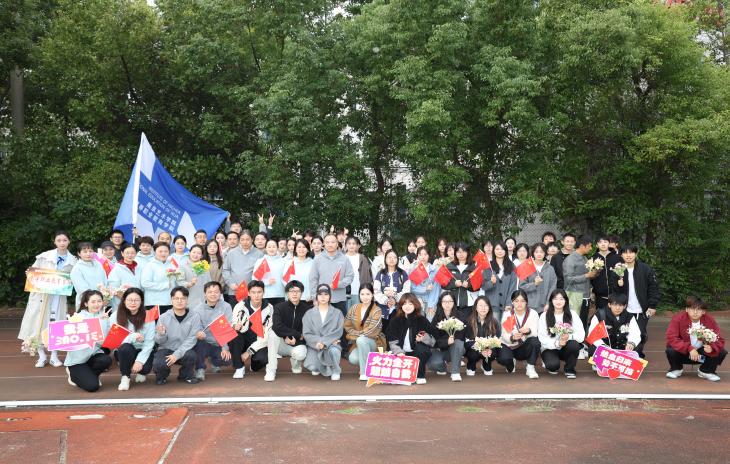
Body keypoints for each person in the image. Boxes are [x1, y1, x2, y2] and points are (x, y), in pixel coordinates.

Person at [19, 231, 78, 368]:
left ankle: (54, 356)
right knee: (38, 323)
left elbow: (74, 278)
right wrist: (29, 273)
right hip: (41, 296)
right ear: (54, 242)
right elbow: (32, 272)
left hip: (59, 297)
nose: (62, 243)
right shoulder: (44, 256)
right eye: (59, 240)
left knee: (56, 324)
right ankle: (42, 356)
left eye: (64, 240)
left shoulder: (73, 261)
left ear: (69, 241)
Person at [610, 244, 660, 358]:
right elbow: (614, 292)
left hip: (641, 310)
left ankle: (637, 355)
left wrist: (652, 305)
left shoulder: (645, 269)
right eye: (625, 253)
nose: (628, 255)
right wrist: (619, 285)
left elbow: (653, 288)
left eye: (631, 252)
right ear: (621, 255)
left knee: (640, 334)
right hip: (623, 309)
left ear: (636, 254)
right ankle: (625, 356)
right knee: (623, 333)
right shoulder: (617, 270)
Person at [665, 296, 726, 382]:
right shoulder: (678, 318)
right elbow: (671, 337)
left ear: (703, 311)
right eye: (692, 309)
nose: (695, 312)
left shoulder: (709, 320)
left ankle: (706, 371)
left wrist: (711, 347)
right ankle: (676, 369)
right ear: (687, 309)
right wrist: (690, 348)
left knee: (721, 351)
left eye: (699, 309)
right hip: (684, 354)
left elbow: (719, 339)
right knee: (671, 350)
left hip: (701, 356)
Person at [64, 290, 113, 392]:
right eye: (93, 302)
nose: (97, 304)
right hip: (77, 360)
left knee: (106, 360)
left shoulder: (105, 316)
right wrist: (99, 320)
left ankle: (92, 375)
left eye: (99, 301)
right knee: (93, 387)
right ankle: (72, 375)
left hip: (93, 355)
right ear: (86, 304)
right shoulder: (78, 317)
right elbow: (68, 337)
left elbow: (107, 338)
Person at [153, 286, 201, 384]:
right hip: (166, 349)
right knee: (159, 363)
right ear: (171, 300)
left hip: (184, 349)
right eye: (176, 298)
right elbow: (158, 341)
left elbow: (192, 339)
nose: (179, 301)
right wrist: (161, 334)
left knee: (191, 355)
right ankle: (162, 376)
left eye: (183, 298)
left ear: (187, 300)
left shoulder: (195, 316)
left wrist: (176, 355)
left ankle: (185, 375)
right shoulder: (163, 317)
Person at [266, 280, 312, 381]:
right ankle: (271, 370)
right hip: (281, 343)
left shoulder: (307, 309)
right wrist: (288, 336)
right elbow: (277, 326)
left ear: (301, 293)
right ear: (287, 293)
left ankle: (295, 364)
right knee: (272, 334)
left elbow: (308, 330)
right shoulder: (279, 307)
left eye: (297, 291)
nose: (294, 294)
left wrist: (297, 338)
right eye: (291, 291)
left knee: (300, 354)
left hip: (297, 342)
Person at [385, 293, 435, 384]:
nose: (407, 306)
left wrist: (423, 338)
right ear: (401, 305)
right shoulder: (395, 319)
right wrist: (398, 351)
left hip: (415, 354)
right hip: (400, 353)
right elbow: (391, 337)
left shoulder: (422, 319)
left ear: (415, 305)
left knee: (421, 349)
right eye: (404, 303)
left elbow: (433, 339)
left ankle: (420, 375)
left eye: (410, 304)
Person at [112, 288, 155, 391]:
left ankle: (140, 371)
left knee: (145, 369)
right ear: (124, 301)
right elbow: (115, 341)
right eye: (130, 300)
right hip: (125, 350)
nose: (133, 303)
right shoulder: (115, 316)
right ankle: (125, 377)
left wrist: (139, 361)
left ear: (141, 302)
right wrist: (132, 337)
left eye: (136, 300)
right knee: (125, 348)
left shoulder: (149, 315)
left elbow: (149, 342)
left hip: (142, 349)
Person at [229, 280, 273, 379]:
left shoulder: (269, 308)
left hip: (259, 341)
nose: (256, 295)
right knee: (234, 336)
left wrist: (248, 352)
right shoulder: (240, 306)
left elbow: (267, 335)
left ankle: (254, 365)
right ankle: (239, 367)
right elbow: (233, 323)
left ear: (263, 292)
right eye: (253, 292)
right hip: (243, 339)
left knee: (263, 359)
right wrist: (235, 326)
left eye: (259, 292)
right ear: (248, 293)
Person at [538, 289, 585, 378]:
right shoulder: (544, 316)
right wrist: (557, 343)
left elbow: (581, 335)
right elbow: (542, 338)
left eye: (561, 299)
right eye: (555, 299)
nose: (558, 302)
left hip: (566, 347)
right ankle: (548, 361)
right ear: (551, 301)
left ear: (566, 301)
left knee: (574, 345)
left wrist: (568, 337)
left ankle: (569, 369)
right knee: (553, 366)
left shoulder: (572, 314)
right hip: (550, 348)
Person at [302, 284, 346, 380]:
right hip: (315, 345)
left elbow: (338, 331)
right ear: (316, 296)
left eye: (326, 294)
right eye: (320, 294)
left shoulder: (337, 313)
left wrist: (325, 342)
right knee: (312, 367)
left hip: (331, 344)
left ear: (330, 296)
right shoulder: (309, 313)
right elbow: (306, 333)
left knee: (334, 351)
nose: (323, 297)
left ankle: (335, 370)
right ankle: (321, 367)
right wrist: (319, 342)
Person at [192, 281, 233, 381]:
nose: (213, 294)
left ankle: (214, 361)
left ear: (220, 293)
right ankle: (200, 368)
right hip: (204, 342)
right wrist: (198, 333)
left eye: (216, 292)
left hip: (219, 343)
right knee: (198, 342)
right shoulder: (197, 309)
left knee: (227, 360)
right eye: (210, 292)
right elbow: (196, 328)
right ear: (205, 294)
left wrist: (225, 347)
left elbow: (227, 328)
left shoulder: (226, 306)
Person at [563, 235, 596, 356]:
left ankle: (581, 344)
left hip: (585, 294)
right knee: (575, 322)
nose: (591, 248)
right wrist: (587, 275)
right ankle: (575, 347)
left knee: (583, 320)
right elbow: (568, 279)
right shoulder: (570, 259)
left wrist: (593, 273)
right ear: (583, 246)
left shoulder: (584, 257)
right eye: (590, 246)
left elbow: (588, 275)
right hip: (574, 295)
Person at [345, 283, 386, 381]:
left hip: (374, 342)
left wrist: (353, 335)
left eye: (368, 294)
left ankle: (364, 372)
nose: (365, 297)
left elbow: (371, 331)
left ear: (372, 295)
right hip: (359, 342)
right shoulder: (354, 308)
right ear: (359, 295)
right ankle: (371, 365)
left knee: (362, 340)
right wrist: (356, 335)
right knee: (353, 359)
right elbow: (347, 325)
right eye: (362, 294)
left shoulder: (377, 310)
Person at [586, 293, 641, 362]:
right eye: (614, 305)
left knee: (637, 347)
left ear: (625, 306)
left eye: (620, 305)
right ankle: (597, 363)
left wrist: (631, 343)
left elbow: (635, 333)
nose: (617, 308)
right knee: (593, 348)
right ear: (609, 305)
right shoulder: (599, 315)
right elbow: (592, 335)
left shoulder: (629, 317)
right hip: (605, 348)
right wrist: (603, 346)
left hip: (622, 347)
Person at [499, 290, 541, 379]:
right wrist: (512, 337)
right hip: (509, 345)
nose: (519, 304)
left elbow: (536, 332)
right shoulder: (508, 314)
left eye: (522, 301)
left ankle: (530, 368)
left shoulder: (533, 314)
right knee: (504, 359)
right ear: (512, 302)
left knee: (535, 342)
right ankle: (511, 361)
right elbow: (504, 334)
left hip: (523, 347)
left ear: (526, 302)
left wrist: (528, 331)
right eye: (516, 301)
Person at [309, 233, 354, 316]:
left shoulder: (344, 259)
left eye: (333, 242)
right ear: (324, 244)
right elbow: (313, 279)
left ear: (337, 243)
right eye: (327, 242)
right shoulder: (317, 259)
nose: (330, 244)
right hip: (322, 299)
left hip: (339, 299)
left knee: (340, 322)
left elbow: (350, 276)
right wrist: (314, 298)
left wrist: (338, 284)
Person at [428, 291, 466, 381]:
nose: (447, 304)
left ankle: (455, 372)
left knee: (458, 343)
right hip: (441, 349)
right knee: (434, 364)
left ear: (454, 302)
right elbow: (434, 338)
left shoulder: (460, 315)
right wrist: (446, 342)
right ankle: (444, 367)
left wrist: (452, 340)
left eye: (450, 301)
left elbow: (462, 336)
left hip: (456, 348)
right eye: (444, 301)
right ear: (441, 303)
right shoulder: (437, 317)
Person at [221, 229, 264, 307]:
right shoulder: (231, 253)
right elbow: (225, 270)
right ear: (239, 240)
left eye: (247, 239)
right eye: (242, 239)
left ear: (252, 240)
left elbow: (262, 272)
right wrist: (230, 283)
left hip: (252, 293)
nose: (245, 242)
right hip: (234, 291)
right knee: (234, 313)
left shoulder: (259, 254)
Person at [373, 250, 410, 331]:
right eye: (389, 257)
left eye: (394, 257)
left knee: (397, 332)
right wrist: (386, 300)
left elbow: (406, 290)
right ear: (385, 259)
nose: (392, 259)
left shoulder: (403, 273)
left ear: (397, 259)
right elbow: (376, 291)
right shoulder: (380, 274)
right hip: (382, 310)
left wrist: (395, 299)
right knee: (383, 332)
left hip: (399, 309)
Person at [464, 296, 501, 376]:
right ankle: (471, 365)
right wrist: (480, 349)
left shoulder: (494, 322)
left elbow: (497, 339)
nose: (483, 308)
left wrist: (489, 348)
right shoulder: (469, 321)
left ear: (489, 308)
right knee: (472, 354)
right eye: (480, 305)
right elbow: (466, 341)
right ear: (476, 307)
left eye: (486, 305)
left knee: (493, 353)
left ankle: (486, 364)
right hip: (474, 348)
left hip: (488, 349)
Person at [482, 242, 517, 322]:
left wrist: (509, 303)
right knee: (494, 327)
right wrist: (491, 282)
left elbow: (513, 287)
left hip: (506, 305)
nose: (500, 251)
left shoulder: (512, 266)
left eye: (502, 249)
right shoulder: (488, 266)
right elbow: (484, 286)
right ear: (494, 251)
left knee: (506, 328)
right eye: (497, 249)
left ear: (505, 251)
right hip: (492, 304)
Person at [140, 242, 177, 314]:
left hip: (170, 302)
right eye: (160, 251)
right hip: (154, 303)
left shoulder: (172, 264)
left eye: (166, 251)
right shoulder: (149, 265)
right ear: (154, 252)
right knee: (155, 322)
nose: (163, 253)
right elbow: (145, 283)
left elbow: (175, 280)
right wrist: (165, 285)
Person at [519, 243, 556, 313]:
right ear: (533, 253)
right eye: (536, 252)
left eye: (541, 252)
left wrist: (548, 303)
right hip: (529, 305)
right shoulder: (526, 266)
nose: (539, 254)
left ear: (545, 253)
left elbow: (553, 287)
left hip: (545, 306)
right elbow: (521, 286)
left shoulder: (550, 268)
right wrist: (534, 284)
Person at [70, 242, 108, 309]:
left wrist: (106, 296)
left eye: (90, 251)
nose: (88, 254)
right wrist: (96, 300)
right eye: (85, 252)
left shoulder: (98, 264)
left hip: (101, 302)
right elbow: (82, 289)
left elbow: (105, 281)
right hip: (86, 303)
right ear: (79, 253)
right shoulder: (77, 269)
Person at [443, 242, 477, 319]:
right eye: (458, 252)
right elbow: (443, 284)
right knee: (453, 324)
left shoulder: (473, 266)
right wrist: (454, 284)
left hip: (469, 303)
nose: (461, 254)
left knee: (467, 324)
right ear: (455, 253)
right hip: (452, 303)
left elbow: (478, 286)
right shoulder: (449, 266)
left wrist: (468, 285)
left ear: (468, 252)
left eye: (464, 251)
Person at [591, 236, 622, 313]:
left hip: (616, 294)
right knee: (602, 316)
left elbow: (622, 273)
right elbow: (591, 276)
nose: (603, 244)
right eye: (600, 242)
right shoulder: (593, 258)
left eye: (605, 242)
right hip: (600, 296)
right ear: (597, 245)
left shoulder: (617, 257)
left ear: (609, 243)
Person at [409, 247, 441, 321]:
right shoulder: (414, 269)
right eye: (420, 255)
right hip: (417, 301)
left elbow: (436, 289)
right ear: (417, 256)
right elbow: (412, 287)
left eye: (425, 254)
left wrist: (431, 305)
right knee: (418, 323)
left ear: (429, 255)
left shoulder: (434, 269)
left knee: (429, 323)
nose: (423, 257)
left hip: (431, 301)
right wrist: (425, 289)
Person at [254, 239, 286, 307]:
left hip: (280, 294)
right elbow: (255, 278)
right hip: (265, 295)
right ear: (265, 248)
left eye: (274, 246)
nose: (271, 249)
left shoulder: (283, 261)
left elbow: (287, 277)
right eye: (269, 247)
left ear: (277, 248)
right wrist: (266, 282)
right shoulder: (260, 261)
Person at [107, 242, 139, 311]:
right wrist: (128, 301)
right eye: (127, 253)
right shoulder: (117, 269)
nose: (130, 255)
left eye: (132, 253)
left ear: (136, 253)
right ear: (122, 253)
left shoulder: (138, 268)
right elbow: (113, 288)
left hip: (137, 304)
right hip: (121, 304)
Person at [344, 236, 373, 307]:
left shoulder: (363, 258)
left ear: (357, 245)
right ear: (346, 245)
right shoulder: (342, 258)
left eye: (354, 243)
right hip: (344, 292)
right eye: (349, 243)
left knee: (358, 312)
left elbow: (368, 276)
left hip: (359, 291)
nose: (351, 245)